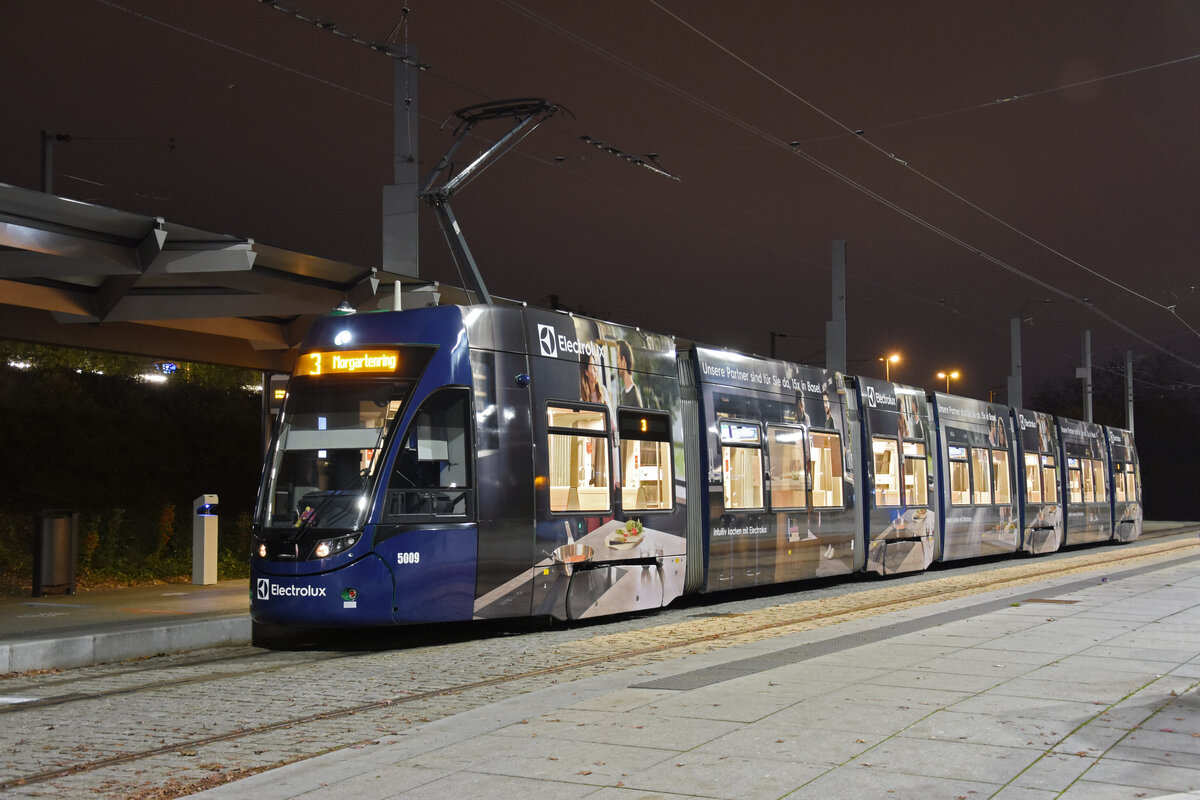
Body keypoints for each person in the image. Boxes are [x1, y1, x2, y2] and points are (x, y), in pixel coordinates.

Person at [616, 340, 642, 407]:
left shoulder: (634, 394)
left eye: (618, 358)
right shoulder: (624, 393)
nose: (617, 362)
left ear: (623, 361)